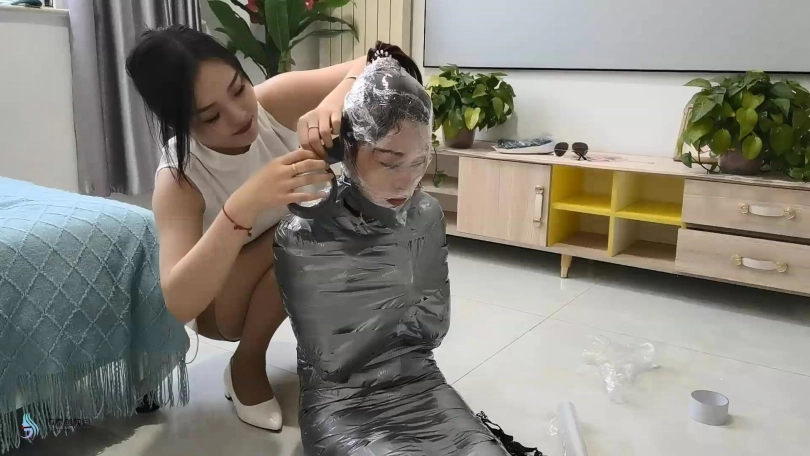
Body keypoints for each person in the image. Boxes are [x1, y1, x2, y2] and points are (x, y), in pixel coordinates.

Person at [273, 44, 514, 456]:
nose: (406, 181)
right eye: (389, 161)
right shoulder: (305, 233)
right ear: (349, 148)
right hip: (341, 402)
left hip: (421, 382)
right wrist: (396, 293)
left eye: (419, 161)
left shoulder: (426, 215)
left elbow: (433, 332)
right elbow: (331, 359)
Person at [125, 24, 367, 431]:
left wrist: (338, 96)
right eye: (211, 116)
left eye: (239, 89)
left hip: (288, 260)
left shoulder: (272, 101)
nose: (239, 114)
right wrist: (245, 204)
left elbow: (381, 58)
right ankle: (246, 366)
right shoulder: (180, 179)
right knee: (300, 231)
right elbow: (181, 303)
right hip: (221, 306)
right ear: (181, 124)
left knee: (325, 225)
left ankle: (343, 353)